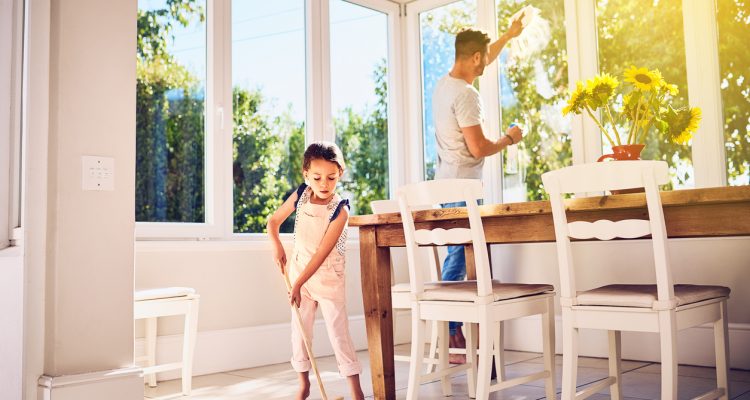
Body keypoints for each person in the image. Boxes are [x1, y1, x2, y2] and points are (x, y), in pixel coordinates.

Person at [431, 22, 526, 364]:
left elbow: (483, 57)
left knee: (457, 253)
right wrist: (510, 138)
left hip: (446, 182)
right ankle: (451, 333)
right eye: (483, 60)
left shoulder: (444, 86)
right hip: (465, 188)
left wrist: (506, 37)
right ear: (473, 58)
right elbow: (479, 147)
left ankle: (452, 330)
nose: (486, 65)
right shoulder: (467, 96)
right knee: (459, 256)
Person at [267, 142, 364, 400]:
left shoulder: (340, 210)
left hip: (327, 276)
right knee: (299, 333)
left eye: (331, 178)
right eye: (317, 177)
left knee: (338, 333)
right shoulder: (301, 194)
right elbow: (273, 221)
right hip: (299, 272)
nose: (324, 184)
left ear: (340, 173)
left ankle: (356, 392)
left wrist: (298, 283)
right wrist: (277, 245)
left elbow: (321, 254)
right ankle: (304, 385)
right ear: (305, 175)